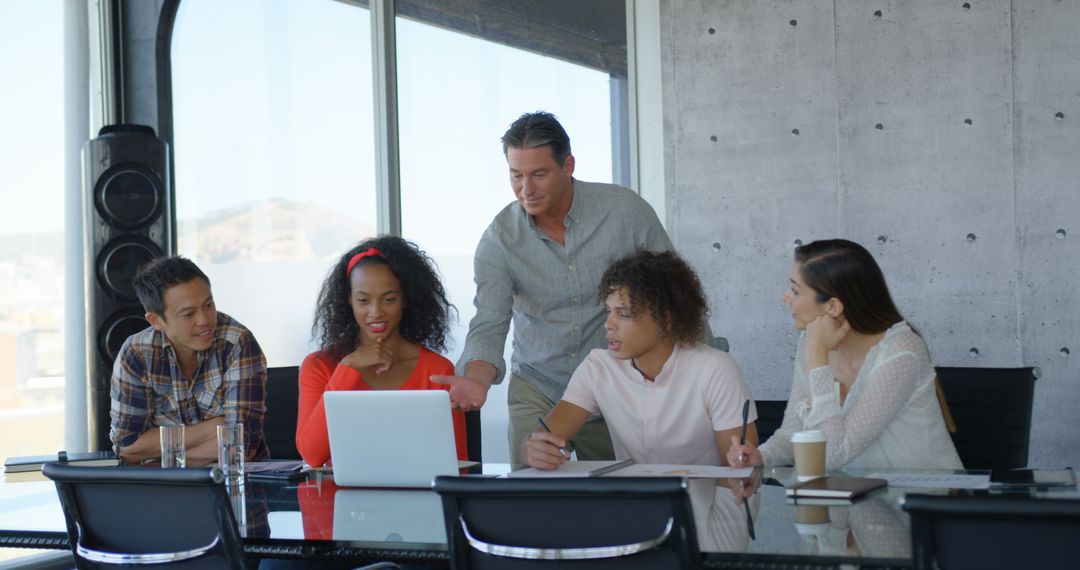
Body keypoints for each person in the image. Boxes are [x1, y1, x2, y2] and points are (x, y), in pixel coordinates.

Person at [432, 111, 679, 465]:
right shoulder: (499, 238)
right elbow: (489, 321)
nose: (526, 189)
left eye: (539, 174)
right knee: (533, 490)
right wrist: (477, 379)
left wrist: (701, 369)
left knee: (619, 491)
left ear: (568, 165)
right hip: (538, 386)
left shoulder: (625, 212)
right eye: (516, 176)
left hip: (616, 385)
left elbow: (672, 292)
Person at [727, 239, 963, 470]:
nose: (785, 297)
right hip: (856, 492)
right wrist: (761, 456)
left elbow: (831, 455)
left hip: (926, 493)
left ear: (832, 306)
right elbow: (795, 433)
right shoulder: (810, 342)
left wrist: (818, 358)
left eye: (795, 291)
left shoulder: (901, 352)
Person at [523, 250, 757, 469]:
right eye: (608, 311)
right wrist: (533, 449)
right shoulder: (598, 367)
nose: (608, 324)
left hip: (705, 498)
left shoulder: (714, 369)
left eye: (624, 314)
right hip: (633, 498)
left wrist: (744, 461)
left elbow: (739, 471)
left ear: (666, 320)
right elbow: (543, 438)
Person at [295, 236, 466, 467]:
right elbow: (312, 455)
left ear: (406, 299)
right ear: (349, 300)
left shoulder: (437, 370)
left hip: (418, 490)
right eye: (363, 300)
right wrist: (347, 369)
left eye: (388, 299)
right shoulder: (320, 366)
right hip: (340, 490)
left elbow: (457, 463)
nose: (376, 312)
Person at [110, 256, 268, 463]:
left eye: (208, 305)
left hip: (233, 479)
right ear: (155, 320)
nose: (204, 320)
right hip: (161, 482)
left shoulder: (237, 342)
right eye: (188, 314)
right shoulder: (136, 354)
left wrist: (163, 461)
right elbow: (127, 447)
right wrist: (214, 427)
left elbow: (241, 446)